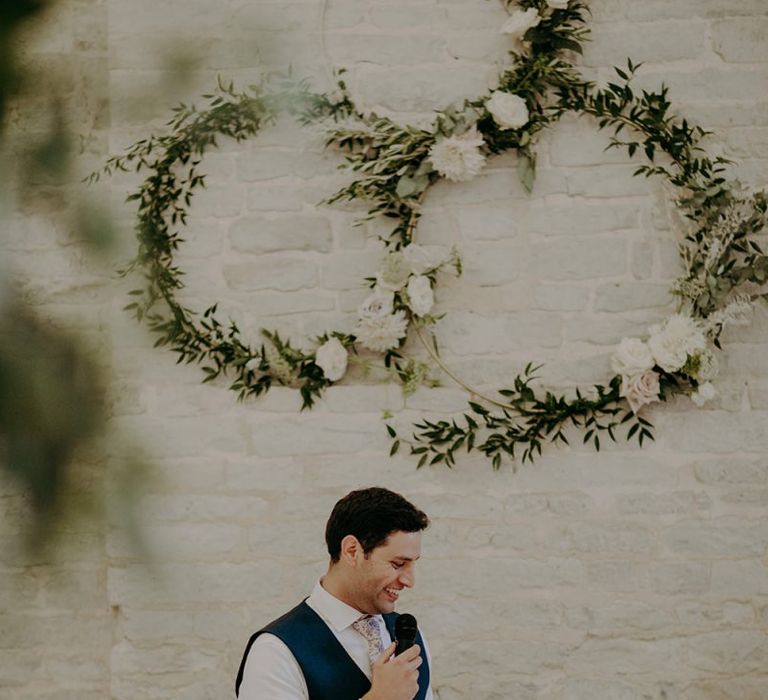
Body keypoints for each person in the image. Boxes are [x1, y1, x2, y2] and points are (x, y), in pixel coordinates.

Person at [235, 487, 433, 700]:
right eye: (398, 564)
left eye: (412, 564)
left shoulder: (412, 637)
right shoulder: (275, 651)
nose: (409, 581)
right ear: (352, 551)